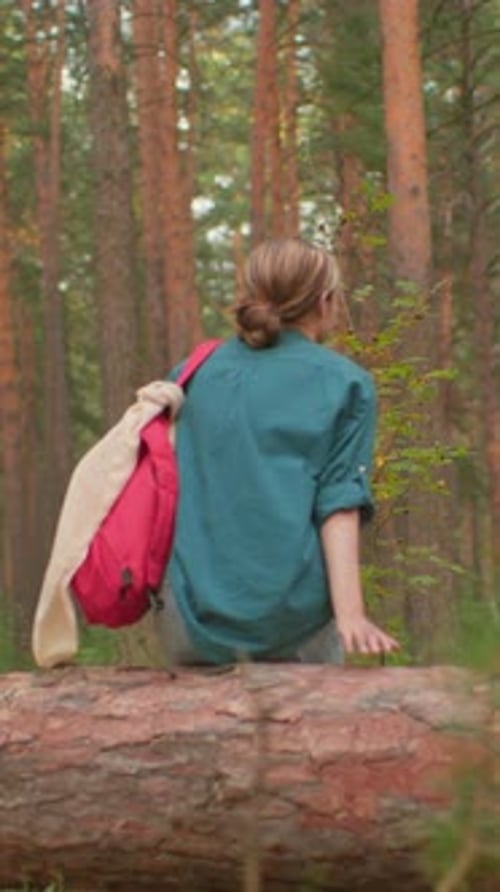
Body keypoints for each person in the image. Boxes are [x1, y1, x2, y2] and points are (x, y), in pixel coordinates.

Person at [156, 237, 399, 667]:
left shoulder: (191, 373)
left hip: (189, 620)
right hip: (293, 626)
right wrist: (351, 615)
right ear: (325, 301)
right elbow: (339, 503)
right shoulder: (347, 384)